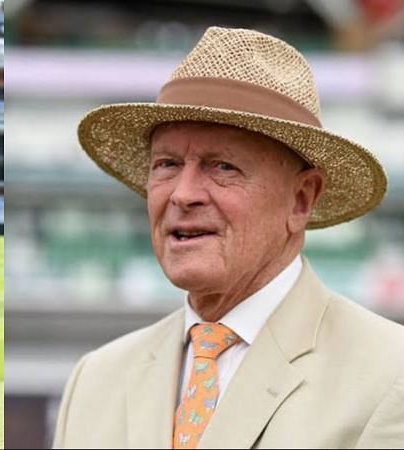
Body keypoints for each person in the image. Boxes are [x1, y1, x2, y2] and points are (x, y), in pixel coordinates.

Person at [53, 26, 404, 449]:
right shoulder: (95, 380)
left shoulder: (389, 377)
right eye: (166, 164)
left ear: (301, 199)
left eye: (222, 167)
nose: (182, 194)